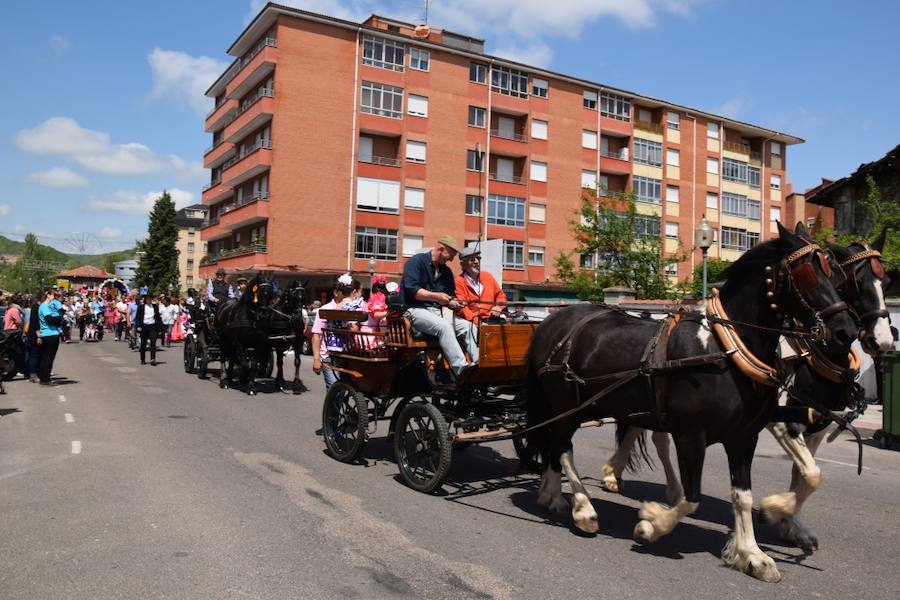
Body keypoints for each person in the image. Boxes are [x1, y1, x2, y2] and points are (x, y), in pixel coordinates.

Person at [402, 235, 478, 379]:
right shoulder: (415, 262)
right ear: (441, 249)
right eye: (450, 255)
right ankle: (461, 370)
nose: (451, 260)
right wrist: (437, 296)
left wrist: (454, 302)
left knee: (469, 327)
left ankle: (479, 366)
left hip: (438, 311)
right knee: (445, 327)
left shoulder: (447, 272)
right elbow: (413, 291)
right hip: (415, 309)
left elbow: (449, 296)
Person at [311, 275, 353, 391]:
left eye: (348, 291)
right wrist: (316, 359)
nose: (346, 295)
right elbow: (316, 335)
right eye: (344, 292)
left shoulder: (354, 308)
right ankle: (332, 409)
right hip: (329, 356)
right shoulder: (324, 309)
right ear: (336, 292)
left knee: (346, 391)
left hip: (348, 355)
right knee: (334, 390)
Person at [454, 247, 508, 325]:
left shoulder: (487, 276)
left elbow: (501, 296)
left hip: (491, 319)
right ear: (463, 264)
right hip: (472, 322)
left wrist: (498, 307)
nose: (476, 262)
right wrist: (478, 323)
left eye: (478, 258)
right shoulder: (459, 281)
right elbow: (463, 308)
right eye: (472, 259)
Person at [37, 289, 65, 386]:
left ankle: (43, 377)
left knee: (46, 357)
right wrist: (60, 318)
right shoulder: (44, 306)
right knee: (49, 358)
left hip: (47, 334)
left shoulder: (45, 306)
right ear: (48, 295)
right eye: (53, 295)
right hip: (50, 333)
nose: (55, 297)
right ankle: (45, 379)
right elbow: (49, 319)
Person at [135, 293, 162, 365]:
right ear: (145, 300)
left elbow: (158, 318)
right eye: (147, 299)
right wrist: (138, 326)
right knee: (143, 344)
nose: (149, 300)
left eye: (150, 299)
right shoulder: (141, 307)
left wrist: (159, 329)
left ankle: (153, 359)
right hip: (144, 326)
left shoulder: (155, 306)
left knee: (153, 343)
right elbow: (137, 318)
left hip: (152, 326)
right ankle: (143, 359)